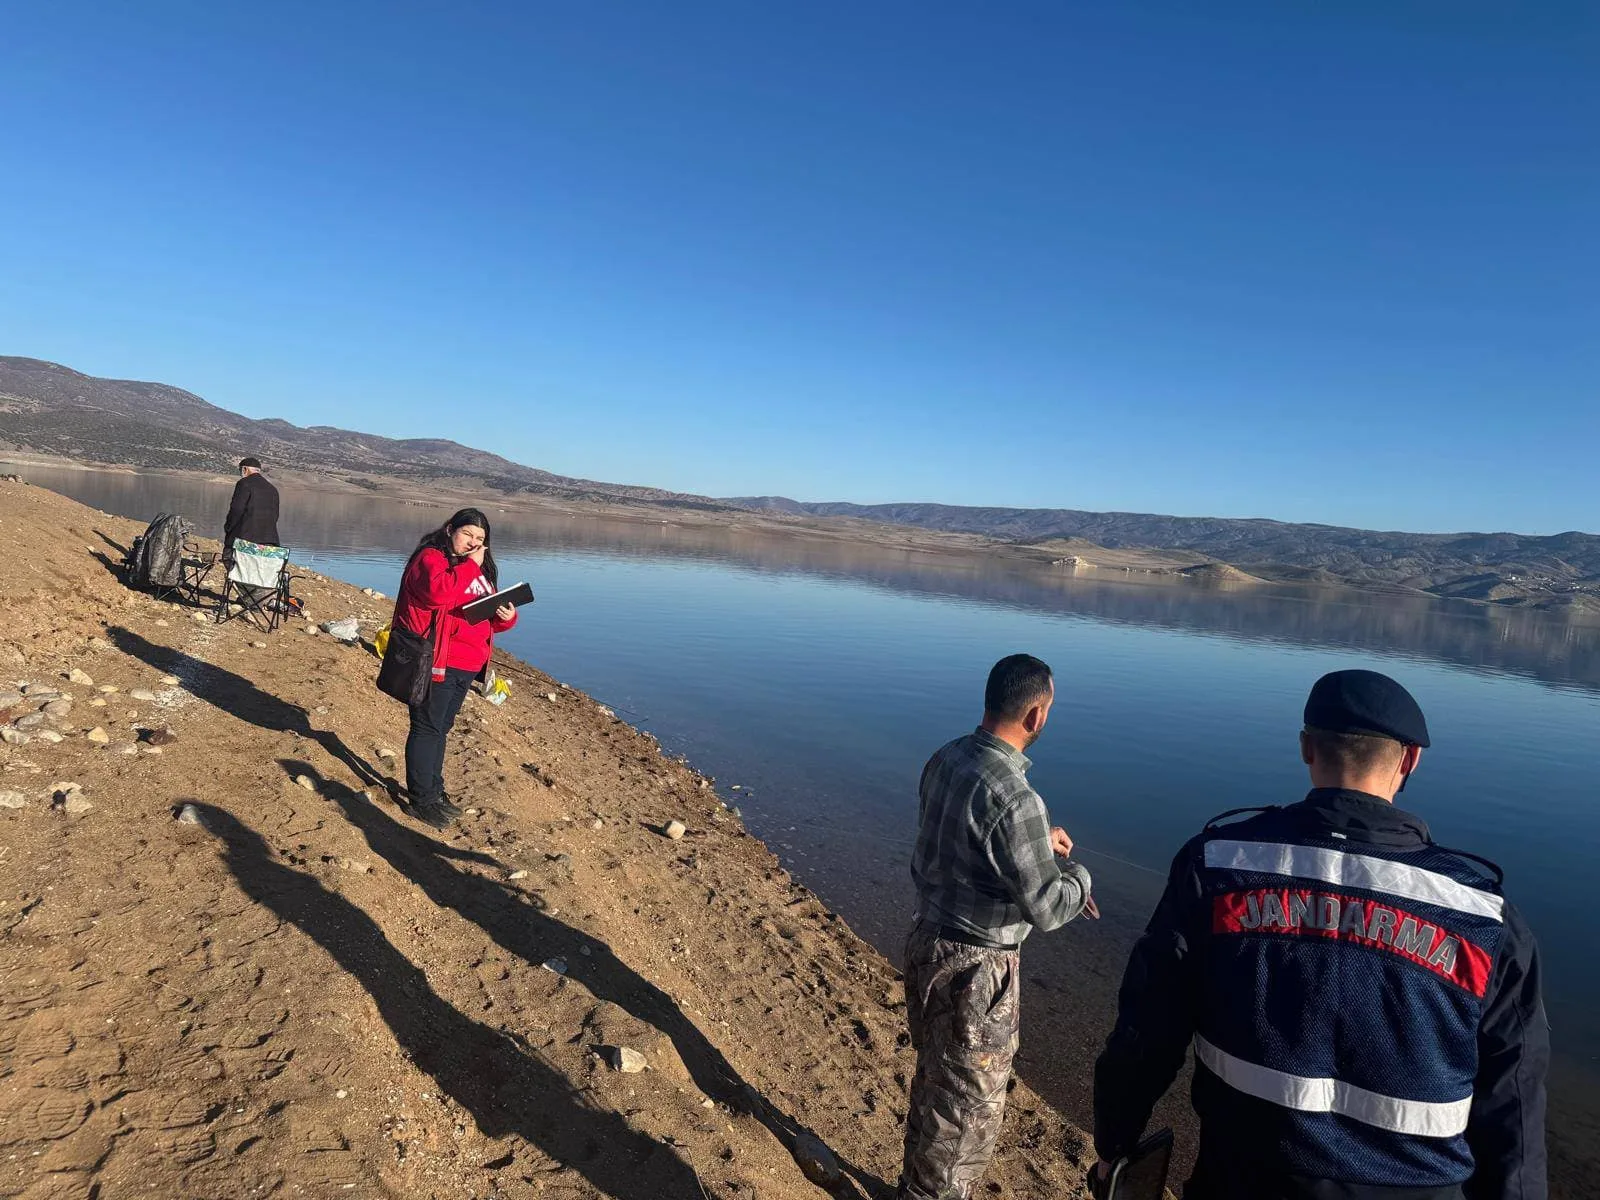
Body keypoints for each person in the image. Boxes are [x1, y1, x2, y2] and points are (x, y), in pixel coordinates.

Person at [1092, 669, 1548, 1200]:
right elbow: (1512, 1109)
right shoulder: (1484, 921)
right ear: (1409, 761)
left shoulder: (1218, 869)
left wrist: (1115, 1146)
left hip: (1243, 1180)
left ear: (1307, 748)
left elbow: (1146, 1031)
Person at [898, 653, 1098, 1200]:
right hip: (977, 972)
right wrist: (1076, 873)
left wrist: (1037, 841)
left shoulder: (946, 757)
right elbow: (1051, 909)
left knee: (935, 1081)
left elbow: (969, 842)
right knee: (965, 1113)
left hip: (925, 944)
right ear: (1036, 715)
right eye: (1048, 711)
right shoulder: (1016, 797)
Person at [390, 508, 517, 828]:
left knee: (441, 728)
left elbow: (479, 617)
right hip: (436, 662)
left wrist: (506, 618)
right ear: (450, 530)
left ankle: (434, 789)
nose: (473, 544)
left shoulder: (476, 570)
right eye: (467, 535)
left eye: (480, 539)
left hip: (467, 664)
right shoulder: (431, 559)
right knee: (427, 728)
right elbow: (437, 595)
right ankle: (421, 799)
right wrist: (468, 567)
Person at [223, 456, 281, 564]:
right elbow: (275, 516)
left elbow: (236, 510)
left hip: (245, 542)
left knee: (231, 561)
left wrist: (228, 528)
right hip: (270, 543)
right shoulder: (272, 489)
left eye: (240, 470)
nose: (241, 473)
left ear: (245, 469)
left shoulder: (244, 483)